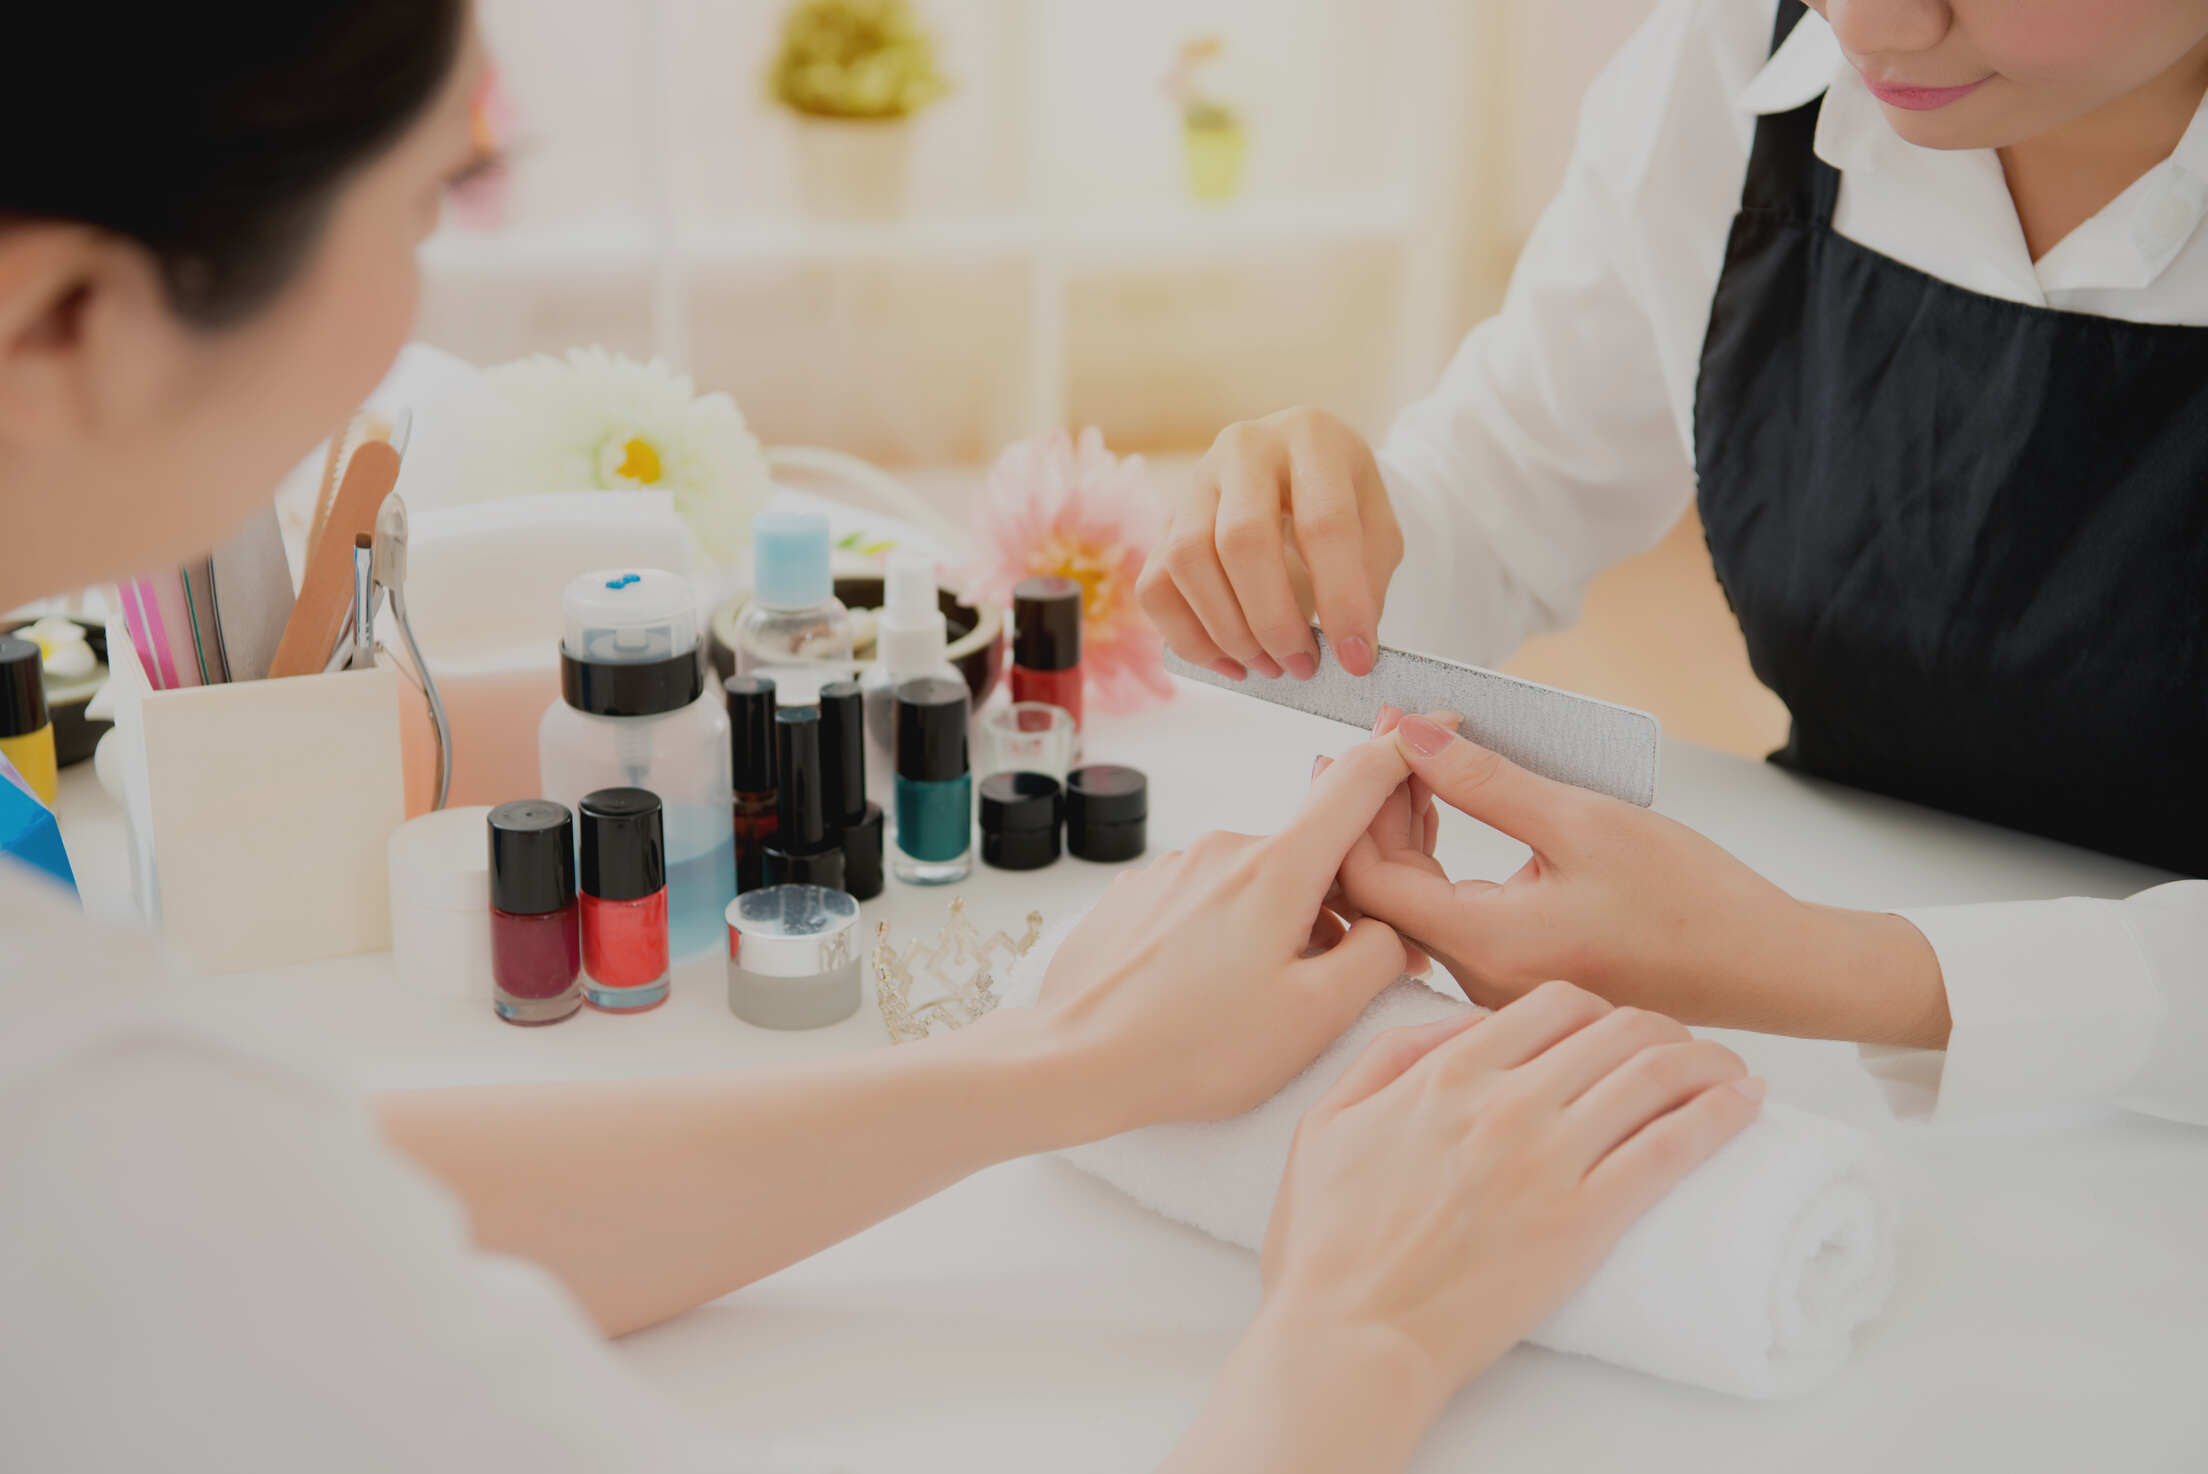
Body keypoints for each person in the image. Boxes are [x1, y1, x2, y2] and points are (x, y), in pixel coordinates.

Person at [0, 5, 1761, 1470]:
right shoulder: (73, 1089)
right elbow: (164, 1192)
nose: (415, 322)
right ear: (73, 313)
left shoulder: (114, 1122)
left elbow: (301, 1219)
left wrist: (1061, 1069)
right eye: (423, 202)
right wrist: (1360, 1332)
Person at [1140, 0, 2208, 1129]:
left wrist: (1823, 967)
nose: (1876, 22)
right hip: (1826, 1076)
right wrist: (1328, 549)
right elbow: (1504, 495)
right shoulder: (1730, 59)